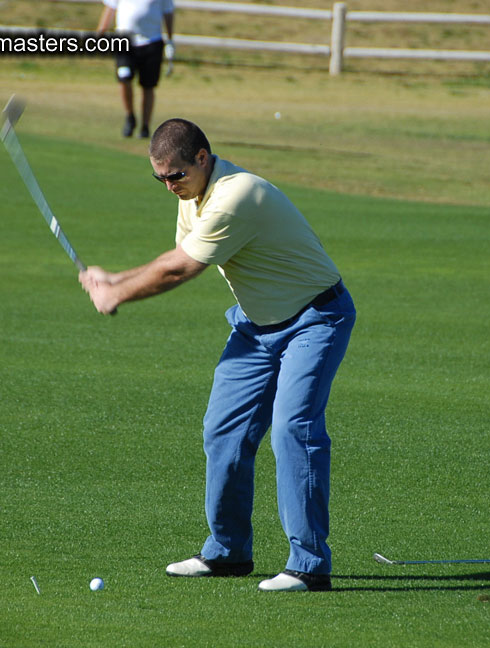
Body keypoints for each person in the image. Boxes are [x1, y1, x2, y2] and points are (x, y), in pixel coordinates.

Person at [79, 119, 355, 592]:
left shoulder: (237, 193)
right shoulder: (193, 197)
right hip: (255, 327)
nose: (169, 187)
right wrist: (114, 279)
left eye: (176, 175)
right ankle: (227, 552)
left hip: (315, 319)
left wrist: (118, 293)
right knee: (222, 430)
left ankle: (309, 564)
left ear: (203, 159)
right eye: (160, 178)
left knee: (294, 429)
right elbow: (179, 252)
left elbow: (180, 270)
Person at [97, 0, 175, 138]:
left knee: (148, 86)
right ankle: (130, 116)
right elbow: (110, 8)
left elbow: (168, 13)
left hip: (152, 41)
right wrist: (100, 33)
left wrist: (170, 40)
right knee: (124, 77)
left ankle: (145, 126)